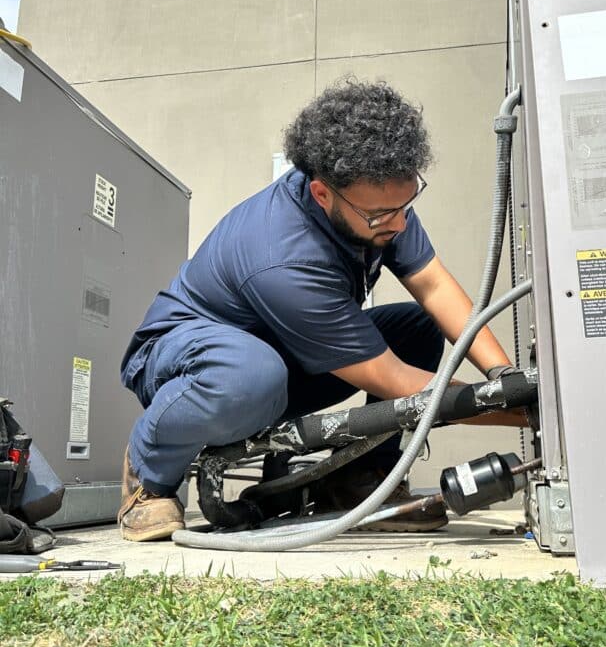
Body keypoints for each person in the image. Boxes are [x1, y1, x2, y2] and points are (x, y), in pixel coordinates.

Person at [118, 79, 527, 542]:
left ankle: (356, 481)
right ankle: (149, 476)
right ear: (322, 194)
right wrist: (522, 413)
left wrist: (505, 379)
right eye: (380, 215)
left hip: (276, 361)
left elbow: (433, 286)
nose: (397, 223)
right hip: (187, 361)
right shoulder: (282, 254)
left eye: (404, 206)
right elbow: (392, 378)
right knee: (250, 375)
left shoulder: (376, 200)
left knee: (416, 329)